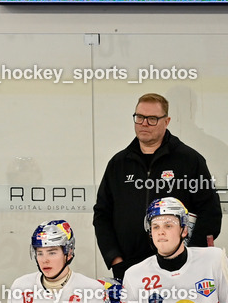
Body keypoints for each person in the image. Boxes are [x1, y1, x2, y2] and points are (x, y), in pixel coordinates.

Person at [94, 93, 221, 282]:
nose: (144, 123)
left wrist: (190, 257)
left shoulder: (189, 161)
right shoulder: (118, 164)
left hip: (179, 271)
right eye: (139, 117)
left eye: (152, 119)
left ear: (167, 121)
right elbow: (102, 215)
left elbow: (210, 214)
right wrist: (115, 259)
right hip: (129, 270)